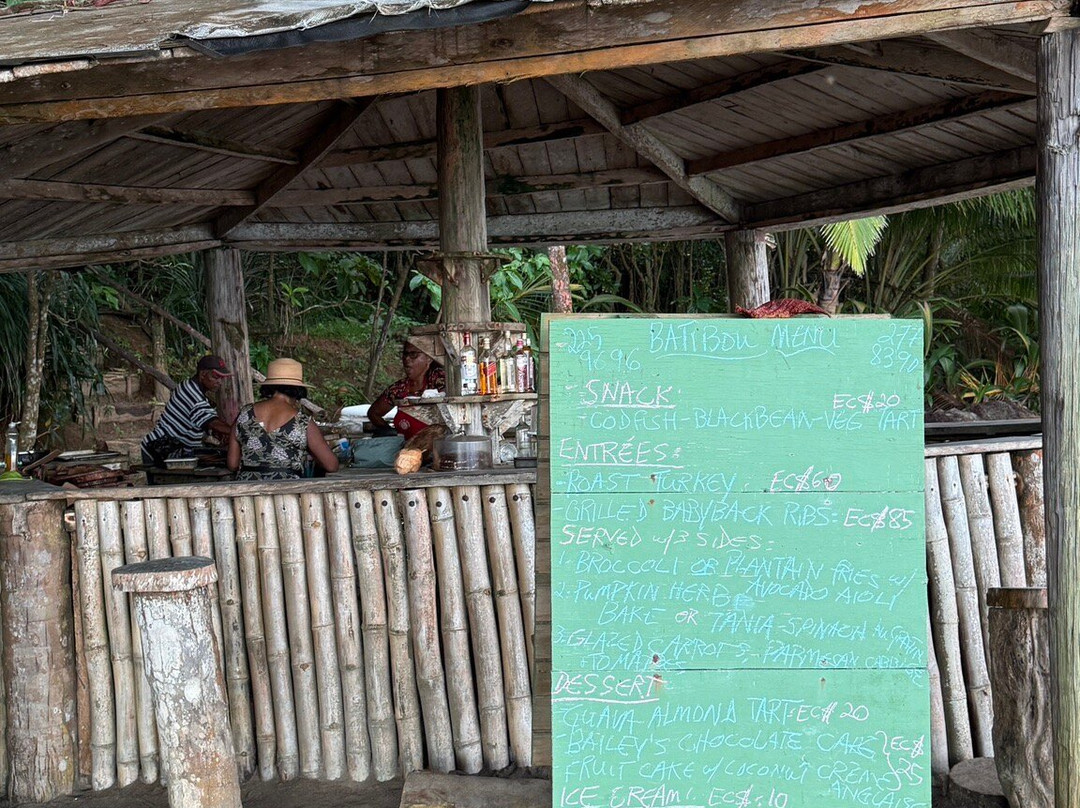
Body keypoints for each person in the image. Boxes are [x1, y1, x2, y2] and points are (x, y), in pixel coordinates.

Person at [227, 358, 339, 480]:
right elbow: (331, 465)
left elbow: (232, 464)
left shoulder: (244, 414)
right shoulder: (302, 422)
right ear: (299, 389)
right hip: (286, 493)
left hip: (246, 492)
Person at [141, 355, 234, 464]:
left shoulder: (189, 386)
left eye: (221, 378)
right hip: (158, 450)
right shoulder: (193, 395)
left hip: (170, 450)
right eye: (216, 377)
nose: (219, 382)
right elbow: (212, 423)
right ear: (203, 374)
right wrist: (237, 432)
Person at [367, 336, 446, 439]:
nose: (407, 359)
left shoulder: (438, 379)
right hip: (408, 450)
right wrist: (391, 434)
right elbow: (374, 413)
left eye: (413, 355)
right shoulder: (399, 389)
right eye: (405, 354)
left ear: (429, 358)